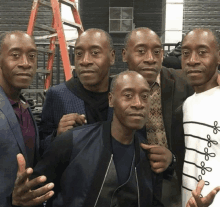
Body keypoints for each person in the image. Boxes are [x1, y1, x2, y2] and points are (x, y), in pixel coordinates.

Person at [12, 71, 164, 207]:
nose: (138, 104)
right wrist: (20, 197)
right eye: (128, 95)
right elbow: (33, 192)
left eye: (144, 96)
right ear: (111, 100)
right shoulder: (72, 142)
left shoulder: (149, 155)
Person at [122, 27, 194, 206]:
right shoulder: (116, 90)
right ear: (124, 55)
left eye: (156, 52)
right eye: (141, 51)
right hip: (133, 182)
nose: (150, 58)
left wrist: (172, 158)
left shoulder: (184, 83)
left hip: (175, 180)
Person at [0, 31, 53, 206]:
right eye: (15, 55)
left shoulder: (23, 105)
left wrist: (59, 135)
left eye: (31, 56)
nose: (25, 63)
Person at [38, 28, 115, 150]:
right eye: (79, 54)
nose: (85, 61)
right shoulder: (57, 95)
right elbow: (40, 149)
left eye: (95, 53)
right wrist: (57, 136)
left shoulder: (124, 95)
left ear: (112, 57)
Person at [172, 28, 220, 207]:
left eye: (202, 53)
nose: (192, 61)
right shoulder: (187, 105)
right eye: (186, 53)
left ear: (218, 57)